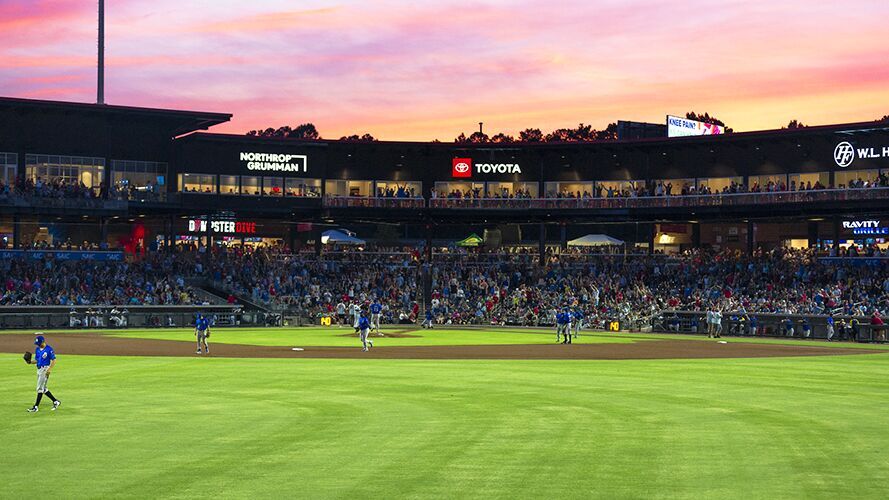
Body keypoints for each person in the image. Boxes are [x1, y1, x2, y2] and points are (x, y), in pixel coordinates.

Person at [28, 334, 61, 412]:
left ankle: (35, 407)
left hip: (45, 369)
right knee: (44, 388)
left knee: (40, 388)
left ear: (43, 342)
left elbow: (54, 360)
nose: (38, 345)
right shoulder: (37, 349)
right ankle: (56, 401)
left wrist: (49, 369)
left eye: (39, 343)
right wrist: (30, 362)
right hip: (39, 370)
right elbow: (37, 360)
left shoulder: (49, 349)